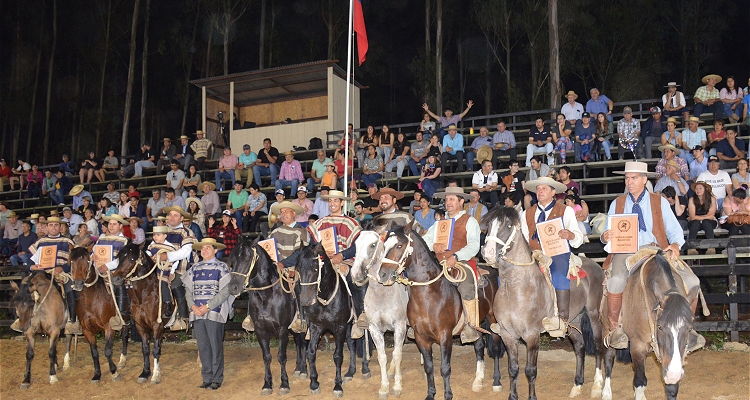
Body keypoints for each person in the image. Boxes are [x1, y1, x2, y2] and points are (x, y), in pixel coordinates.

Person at [600, 161, 703, 351]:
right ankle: (616, 329)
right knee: (616, 281)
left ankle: (688, 329)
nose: (629, 182)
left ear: (644, 179)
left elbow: (674, 230)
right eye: (627, 178)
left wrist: (675, 244)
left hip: (657, 250)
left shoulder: (659, 201)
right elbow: (608, 231)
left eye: (634, 178)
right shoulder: (618, 203)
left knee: (693, 281)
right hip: (626, 250)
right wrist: (605, 236)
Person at [277, 190, 367, 338]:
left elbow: (358, 246)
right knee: (303, 282)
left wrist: (342, 255)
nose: (332, 204)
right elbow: (309, 247)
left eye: (336, 201)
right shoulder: (320, 223)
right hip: (322, 265)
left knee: (355, 280)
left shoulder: (352, 223)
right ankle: (303, 319)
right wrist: (285, 262)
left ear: (342, 203)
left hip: (344, 262)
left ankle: (359, 316)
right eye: (330, 201)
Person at [518, 177, 585, 337]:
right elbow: (525, 239)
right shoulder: (526, 213)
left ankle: (562, 320)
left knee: (559, 276)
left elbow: (578, 238)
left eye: (544, 189)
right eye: (538, 189)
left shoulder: (566, 210)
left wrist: (570, 235)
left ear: (553, 192)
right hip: (534, 254)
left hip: (558, 253)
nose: (540, 192)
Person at [422, 187, 483, 343]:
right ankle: (419, 321)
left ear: (461, 201)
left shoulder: (470, 221)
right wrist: (433, 245)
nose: (448, 203)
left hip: (461, 262)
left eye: (452, 199)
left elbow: (475, 244)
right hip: (438, 263)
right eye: (446, 199)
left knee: (467, 283)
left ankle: (471, 325)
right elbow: (426, 240)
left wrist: (457, 256)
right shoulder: (439, 223)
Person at [242, 200, 310, 332]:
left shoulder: (302, 231)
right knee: (255, 281)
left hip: (293, 267)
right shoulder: (275, 232)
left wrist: (284, 263)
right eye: (282, 212)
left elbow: (300, 253)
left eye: (286, 211)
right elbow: (268, 250)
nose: (283, 214)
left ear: (294, 213)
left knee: (298, 283)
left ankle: (300, 318)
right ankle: (251, 316)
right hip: (275, 267)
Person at [182, 238, 233, 391]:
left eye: (208, 248)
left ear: (215, 250)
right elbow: (188, 291)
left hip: (214, 312)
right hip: (197, 313)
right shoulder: (194, 268)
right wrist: (193, 306)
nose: (204, 250)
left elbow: (225, 292)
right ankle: (207, 377)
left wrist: (207, 306)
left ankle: (217, 378)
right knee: (203, 346)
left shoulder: (222, 268)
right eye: (202, 248)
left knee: (215, 345)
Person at [18, 217, 78, 334]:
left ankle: (72, 320)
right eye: (51, 225)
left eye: (56, 225)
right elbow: (30, 259)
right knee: (25, 286)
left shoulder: (68, 242)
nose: (54, 228)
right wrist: (32, 266)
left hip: (61, 273)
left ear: (60, 227)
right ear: (47, 227)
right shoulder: (40, 242)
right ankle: (22, 319)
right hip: (41, 273)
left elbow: (75, 260)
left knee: (70, 288)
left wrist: (63, 268)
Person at [157, 205, 199, 331]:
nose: (172, 217)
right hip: (162, 268)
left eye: (175, 215)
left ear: (182, 218)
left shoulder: (186, 232)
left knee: (175, 284)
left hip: (183, 269)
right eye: (170, 215)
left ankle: (183, 317)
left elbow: (185, 252)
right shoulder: (163, 232)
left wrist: (167, 256)